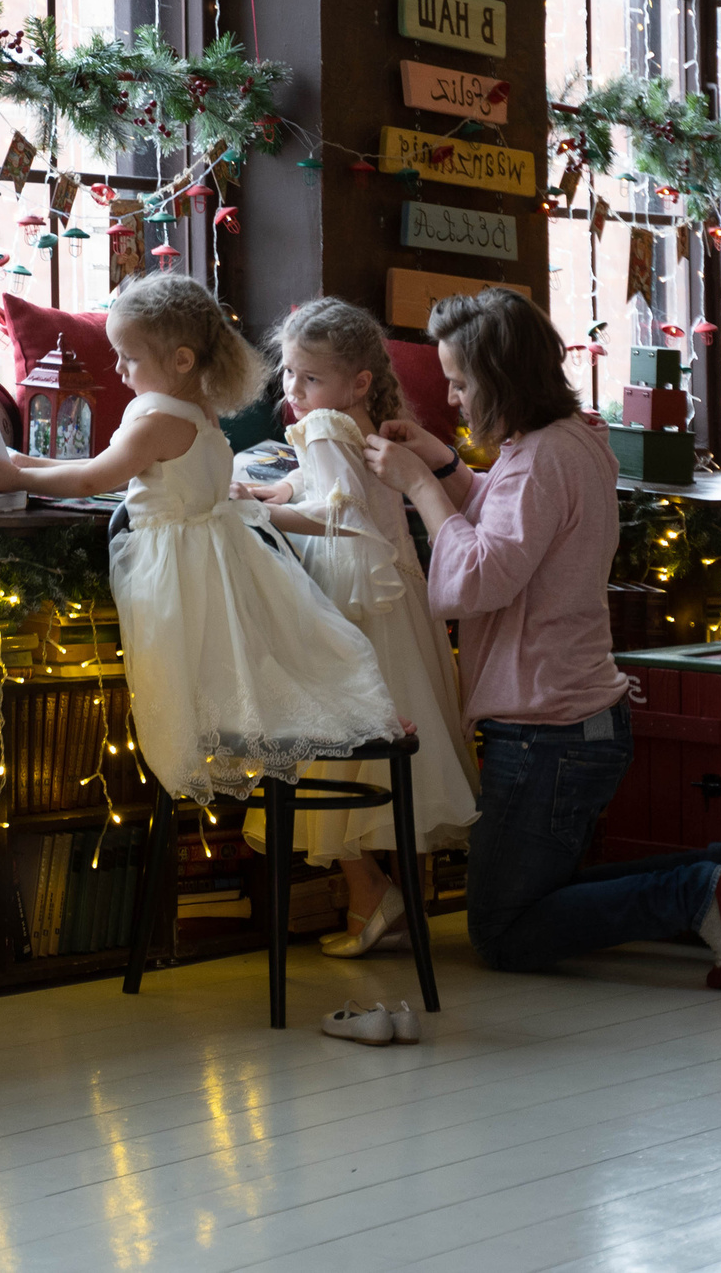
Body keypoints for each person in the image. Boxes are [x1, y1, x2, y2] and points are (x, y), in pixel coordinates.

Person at [362, 288, 721, 989]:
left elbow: (481, 576)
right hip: (569, 727)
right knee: (536, 891)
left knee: (503, 926)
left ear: (500, 379)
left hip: (546, 736)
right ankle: (719, 870)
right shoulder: (560, 443)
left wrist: (420, 489)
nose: (455, 399)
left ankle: (699, 890)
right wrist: (439, 463)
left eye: (461, 383)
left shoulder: (541, 459)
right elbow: (507, 519)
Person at [0, 274, 400, 803]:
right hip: (214, 560)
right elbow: (99, 467)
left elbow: (94, 480)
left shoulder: (157, 419)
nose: (119, 369)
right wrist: (28, 461)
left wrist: (22, 477)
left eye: (128, 357)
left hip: (178, 573)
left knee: (179, 692)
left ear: (181, 360)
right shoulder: (199, 411)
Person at [234, 299, 481, 957]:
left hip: (353, 600)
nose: (293, 390)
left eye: (308, 378)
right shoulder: (352, 422)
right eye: (287, 373)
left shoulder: (321, 427)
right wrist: (278, 492)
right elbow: (336, 489)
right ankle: (393, 897)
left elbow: (340, 518)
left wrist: (257, 516)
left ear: (358, 381)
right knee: (382, 742)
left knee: (325, 740)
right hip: (396, 601)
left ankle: (370, 896)